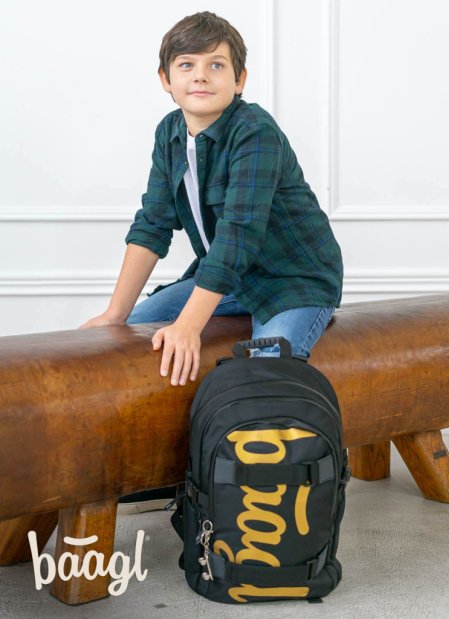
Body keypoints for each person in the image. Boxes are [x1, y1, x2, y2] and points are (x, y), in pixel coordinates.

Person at [80, 11, 343, 513]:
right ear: (166, 79)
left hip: (292, 280)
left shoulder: (255, 132)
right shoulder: (169, 134)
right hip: (225, 277)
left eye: (216, 65)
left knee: (264, 370)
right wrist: (116, 313)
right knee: (133, 335)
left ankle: (246, 495)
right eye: (187, 65)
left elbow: (238, 238)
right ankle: (164, 471)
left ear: (239, 79)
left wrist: (189, 325)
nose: (200, 75)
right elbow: (153, 224)